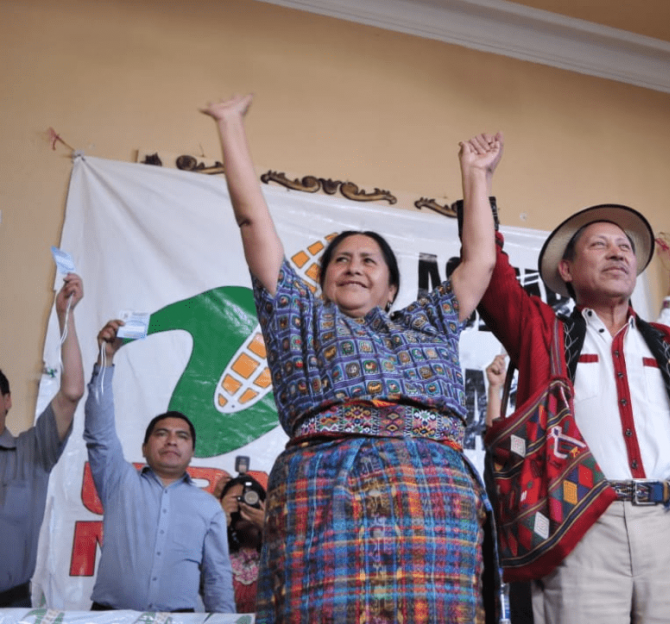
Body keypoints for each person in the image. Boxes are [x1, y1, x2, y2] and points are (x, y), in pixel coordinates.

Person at [201, 93, 501, 623]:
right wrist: (231, 125)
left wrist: (476, 177)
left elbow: (480, 260)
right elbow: (252, 223)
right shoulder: (300, 315)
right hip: (325, 491)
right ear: (321, 281)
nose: (354, 267)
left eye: (369, 260)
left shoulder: (427, 321)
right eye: (341, 259)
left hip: (432, 498)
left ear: (390, 286)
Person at [475, 200, 670, 623]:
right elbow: (490, 279)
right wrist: (478, 181)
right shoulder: (546, 335)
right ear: (566, 270)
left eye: (624, 247)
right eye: (599, 245)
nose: (617, 252)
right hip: (578, 523)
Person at [84, 319, 235, 613]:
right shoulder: (119, 482)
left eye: (182, 436)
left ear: (192, 451)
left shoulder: (208, 507)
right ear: (144, 447)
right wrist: (106, 358)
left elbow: (218, 578)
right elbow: (99, 433)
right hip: (109, 616)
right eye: (161, 434)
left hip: (178, 618)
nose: (171, 441)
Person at [0, 273, 84, 608]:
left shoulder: (32, 451)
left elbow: (72, 392)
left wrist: (65, 316)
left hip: (10, 606)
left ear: (7, 400)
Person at [218, 474, 266, 614]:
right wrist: (219, 519)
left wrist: (268, 526)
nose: (243, 506)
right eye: (237, 500)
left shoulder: (278, 545)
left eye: (250, 499)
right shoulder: (214, 545)